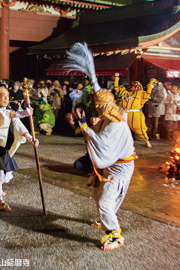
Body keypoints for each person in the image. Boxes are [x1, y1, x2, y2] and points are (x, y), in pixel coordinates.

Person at [64, 42, 136, 251]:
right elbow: (98, 133)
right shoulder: (111, 113)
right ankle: (106, 219)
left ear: (104, 106)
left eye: (98, 105)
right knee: (97, 195)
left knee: (105, 201)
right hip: (112, 163)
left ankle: (114, 234)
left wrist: (84, 126)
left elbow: (101, 144)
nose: (96, 107)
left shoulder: (115, 123)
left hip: (119, 166)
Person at [114, 74, 157, 148]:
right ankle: (119, 142)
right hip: (122, 112)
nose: (132, 87)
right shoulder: (124, 92)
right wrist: (116, 77)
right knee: (118, 127)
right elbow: (116, 88)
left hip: (135, 113)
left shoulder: (140, 93)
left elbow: (147, 94)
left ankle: (146, 141)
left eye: (134, 86)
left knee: (139, 128)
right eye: (132, 85)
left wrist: (150, 83)